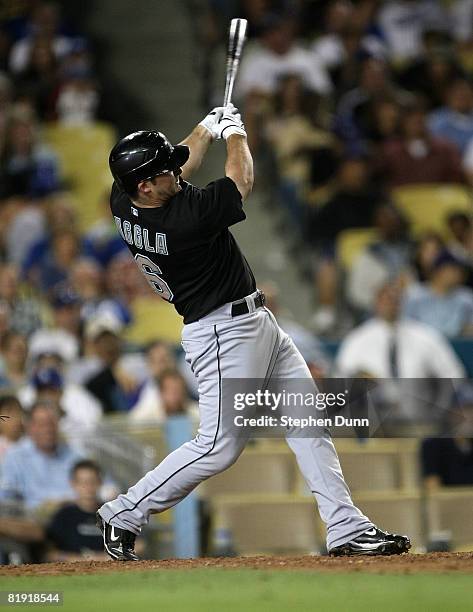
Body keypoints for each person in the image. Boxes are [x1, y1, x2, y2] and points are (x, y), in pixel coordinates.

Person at [95, 103, 410, 560]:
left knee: (308, 423)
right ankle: (124, 513)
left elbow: (181, 157)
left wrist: (204, 127)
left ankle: (346, 527)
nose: (177, 171)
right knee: (218, 447)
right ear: (146, 184)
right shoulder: (186, 218)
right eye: (165, 172)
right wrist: (236, 134)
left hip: (253, 323)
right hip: (223, 332)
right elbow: (241, 181)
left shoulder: (124, 198)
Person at [0, 400, 81, 510]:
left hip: (73, 513)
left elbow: (105, 487)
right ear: (29, 427)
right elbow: (5, 497)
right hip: (33, 519)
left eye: (52, 424)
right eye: (42, 424)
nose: (48, 429)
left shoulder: (75, 455)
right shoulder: (15, 457)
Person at [45, 460, 107, 561]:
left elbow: (136, 545)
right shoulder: (64, 515)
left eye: (92, 481)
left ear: (100, 482)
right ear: (73, 484)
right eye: (82, 482)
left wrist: (102, 558)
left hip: (107, 570)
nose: (88, 486)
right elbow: (49, 552)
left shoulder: (112, 514)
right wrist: (77, 559)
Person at [403, 249, 473, 337]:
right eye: (453, 270)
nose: (459, 274)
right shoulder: (415, 295)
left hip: (457, 347)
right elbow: (405, 327)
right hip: (421, 346)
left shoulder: (467, 298)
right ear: (439, 271)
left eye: (460, 270)